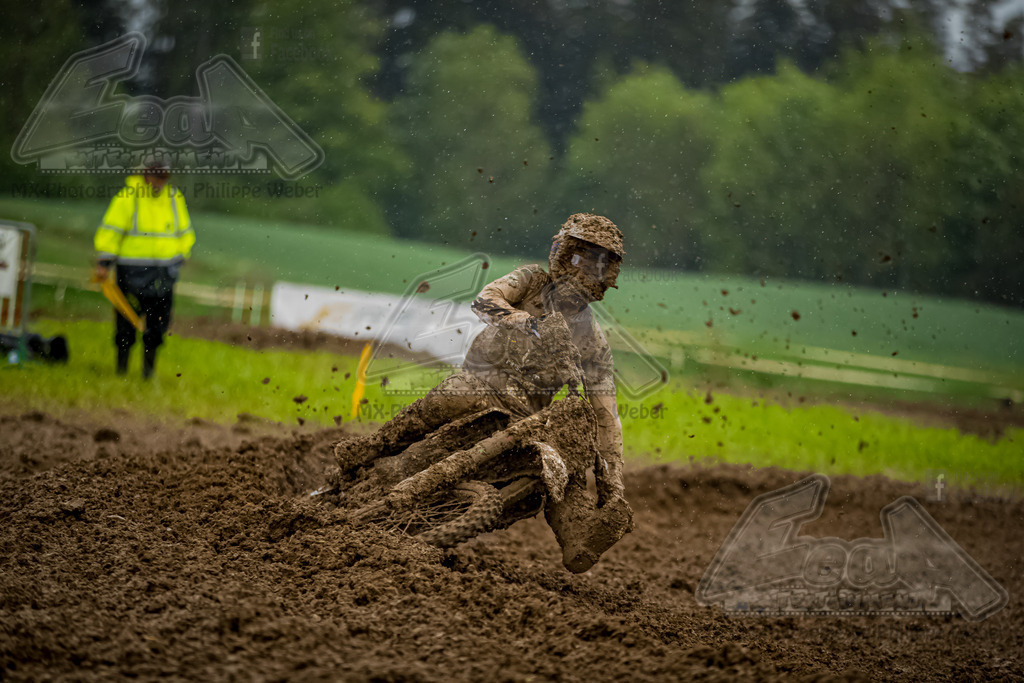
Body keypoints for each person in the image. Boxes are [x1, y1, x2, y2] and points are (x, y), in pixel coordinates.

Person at [333, 213, 632, 571]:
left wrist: (612, 485)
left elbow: (605, 414)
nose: (586, 272)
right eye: (579, 258)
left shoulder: (594, 341)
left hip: (529, 417)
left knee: (565, 468)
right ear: (561, 254)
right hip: (484, 381)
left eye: (599, 266)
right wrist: (527, 323)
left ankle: (580, 536)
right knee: (455, 394)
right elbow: (486, 298)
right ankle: (376, 445)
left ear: (609, 275)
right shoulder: (532, 281)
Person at [93, 161, 194, 379]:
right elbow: (111, 230)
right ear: (146, 174)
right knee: (126, 323)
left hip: (164, 273)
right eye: (156, 176)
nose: (159, 182)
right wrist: (104, 262)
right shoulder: (128, 196)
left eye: (163, 177)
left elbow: (185, 233)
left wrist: (181, 255)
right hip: (132, 271)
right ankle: (121, 370)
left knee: (158, 325)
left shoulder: (175, 198)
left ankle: (148, 374)